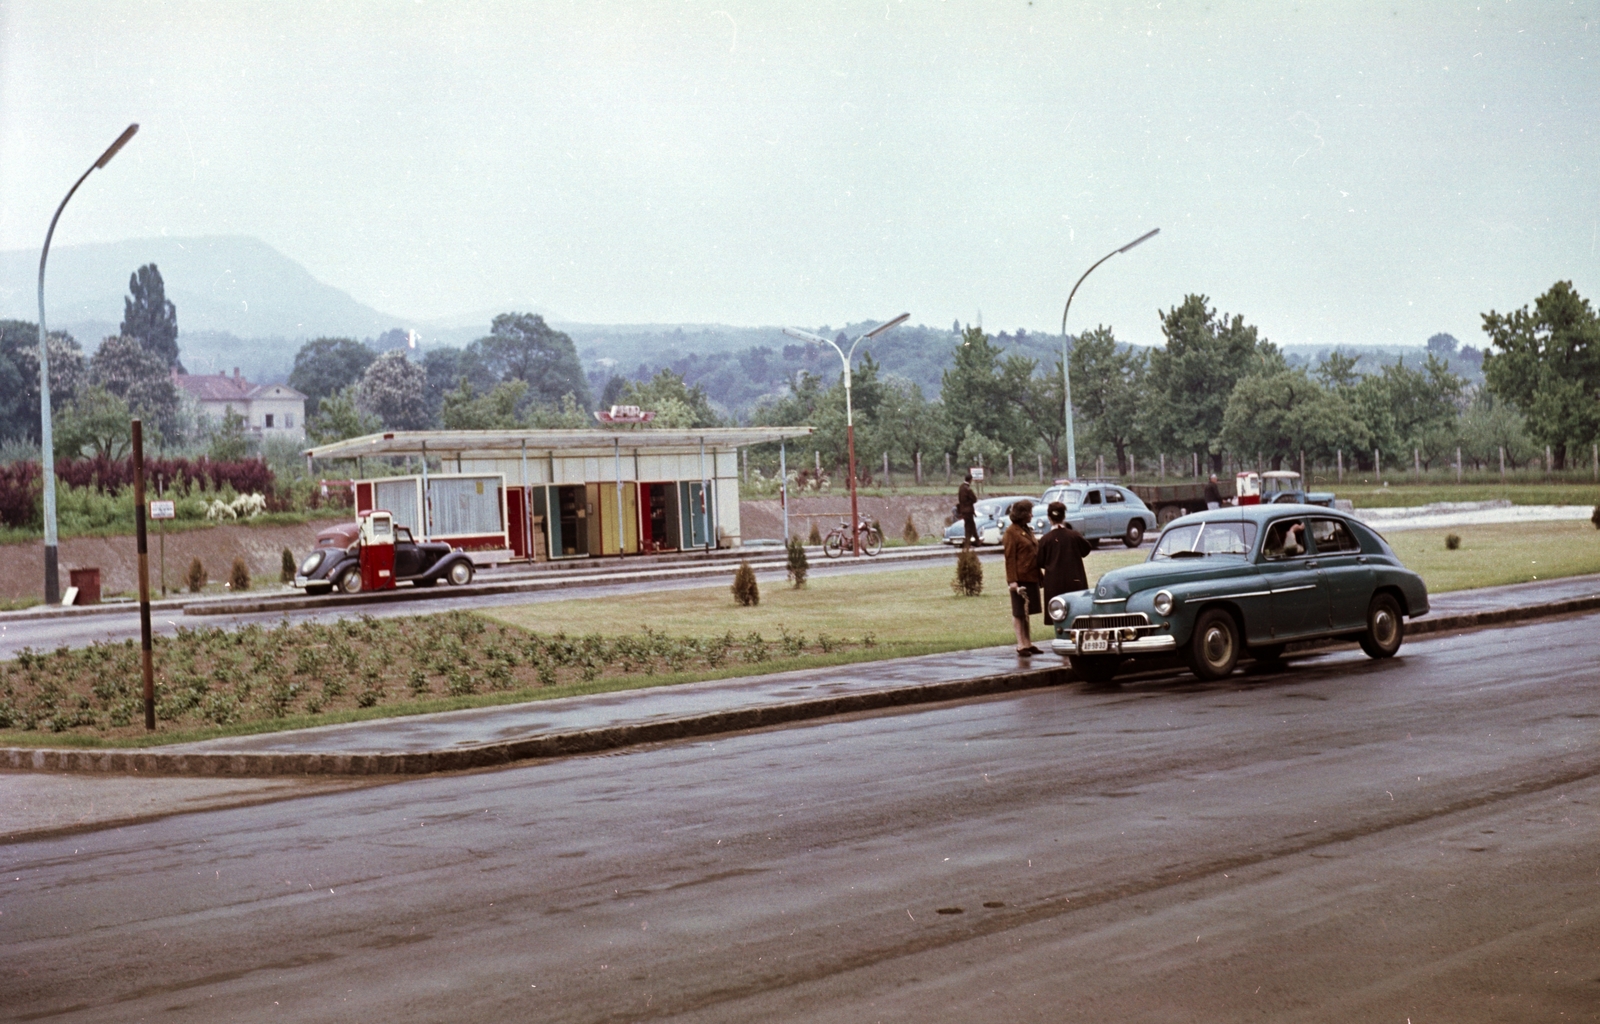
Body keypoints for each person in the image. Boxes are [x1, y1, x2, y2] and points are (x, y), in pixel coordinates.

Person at [1036, 501, 1092, 628]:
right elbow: (1086, 550)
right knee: (1077, 612)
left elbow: (1039, 561)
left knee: (1058, 613)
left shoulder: (1045, 539)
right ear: (1064, 517)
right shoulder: (1074, 535)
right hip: (1075, 579)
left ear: (1049, 518)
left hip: (1054, 582)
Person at [1002, 500, 1043, 656]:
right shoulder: (1011, 532)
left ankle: (1028, 642)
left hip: (1030, 576)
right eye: (1029, 512)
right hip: (1019, 579)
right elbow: (1009, 558)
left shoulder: (1026, 529)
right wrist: (1012, 581)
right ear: (1022, 514)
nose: (1032, 515)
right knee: (1019, 611)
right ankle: (1021, 645)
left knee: (1027, 612)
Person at [956, 473, 978, 545]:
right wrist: (970, 502)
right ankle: (968, 541)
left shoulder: (961, 487)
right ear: (970, 480)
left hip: (963, 510)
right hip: (969, 510)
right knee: (969, 526)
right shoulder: (968, 489)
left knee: (970, 525)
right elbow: (974, 499)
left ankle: (976, 540)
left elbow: (960, 498)